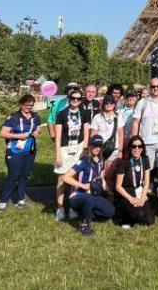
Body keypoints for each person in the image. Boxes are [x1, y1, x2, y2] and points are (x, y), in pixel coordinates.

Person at [62, 136, 115, 237]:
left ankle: (86, 214)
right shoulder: (84, 161)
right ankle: (84, 226)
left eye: (99, 146)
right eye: (94, 145)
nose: (97, 148)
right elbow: (66, 177)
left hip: (94, 195)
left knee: (110, 211)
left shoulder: (101, 161)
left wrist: (108, 191)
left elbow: (101, 177)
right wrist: (82, 185)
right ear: (90, 146)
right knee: (89, 199)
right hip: (78, 196)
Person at [0, 94, 40, 212]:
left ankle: (20, 199)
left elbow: (38, 127)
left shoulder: (35, 116)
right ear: (21, 105)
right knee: (13, 176)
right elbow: (2, 133)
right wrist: (18, 136)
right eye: (26, 105)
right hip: (15, 151)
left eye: (31, 105)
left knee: (25, 175)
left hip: (30, 150)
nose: (29, 107)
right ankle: (3, 201)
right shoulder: (13, 117)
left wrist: (37, 131)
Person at [52, 88, 90, 221]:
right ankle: (60, 208)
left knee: (74, 179)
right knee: (62, 179)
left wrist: (85, 148)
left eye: (79, 99)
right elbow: (58, 136)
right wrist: (58, 155)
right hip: (65, 148)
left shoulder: (84, 113)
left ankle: (73, 207)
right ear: (69, 98)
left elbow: (86, 131)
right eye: (73, 98)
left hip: (78, 148)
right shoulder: (62, 114)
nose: (76, 101)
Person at [130, 77, 158, 182]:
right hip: (146, 142)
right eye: (153, 86)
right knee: (147, 169)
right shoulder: (142, 103)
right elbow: (135, 122)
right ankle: (148, 190)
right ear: (149, 88)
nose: (156, 88)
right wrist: (135, 140)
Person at [112, 135, 154, 228]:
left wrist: (143, 198)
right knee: (139, 214)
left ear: (142, 148)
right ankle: (123, 216)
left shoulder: (145, 160)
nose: (137, 149)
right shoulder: (124, 163)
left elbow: (146, 182)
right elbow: (118, 186)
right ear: (130, 148)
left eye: (139, 146)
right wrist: (131, 198)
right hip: (127, 192)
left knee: (150, 221)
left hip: (139, 190)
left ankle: (132, 214)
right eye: (134, 146)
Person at [90, 94, 123, 177]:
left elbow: (121, 135)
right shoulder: (97, 117)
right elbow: (93, 134)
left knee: (109, 175)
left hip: (113, 149)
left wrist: (120, 151)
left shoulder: (118, 117)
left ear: (114, 104)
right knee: (98, 174)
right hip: (99, 149)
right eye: (106, 102)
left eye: (111, 102)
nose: (109, 104)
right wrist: (93, 150)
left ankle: (108, 190)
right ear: (103, 104)